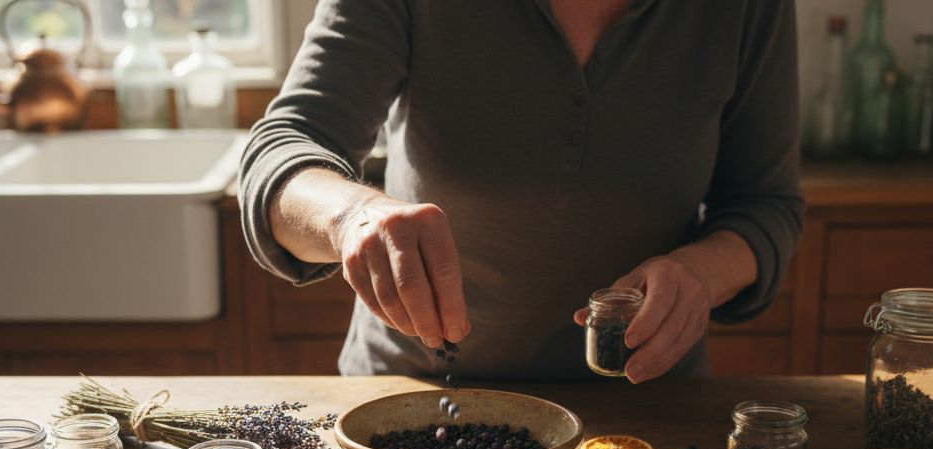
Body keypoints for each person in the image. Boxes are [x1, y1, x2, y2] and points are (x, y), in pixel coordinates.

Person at [241, 0, 802, 382]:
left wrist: (701, 274)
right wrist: (351, 215)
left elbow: (765, 206)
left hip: (645, 409)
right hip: (417, 399)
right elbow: (281, 154)